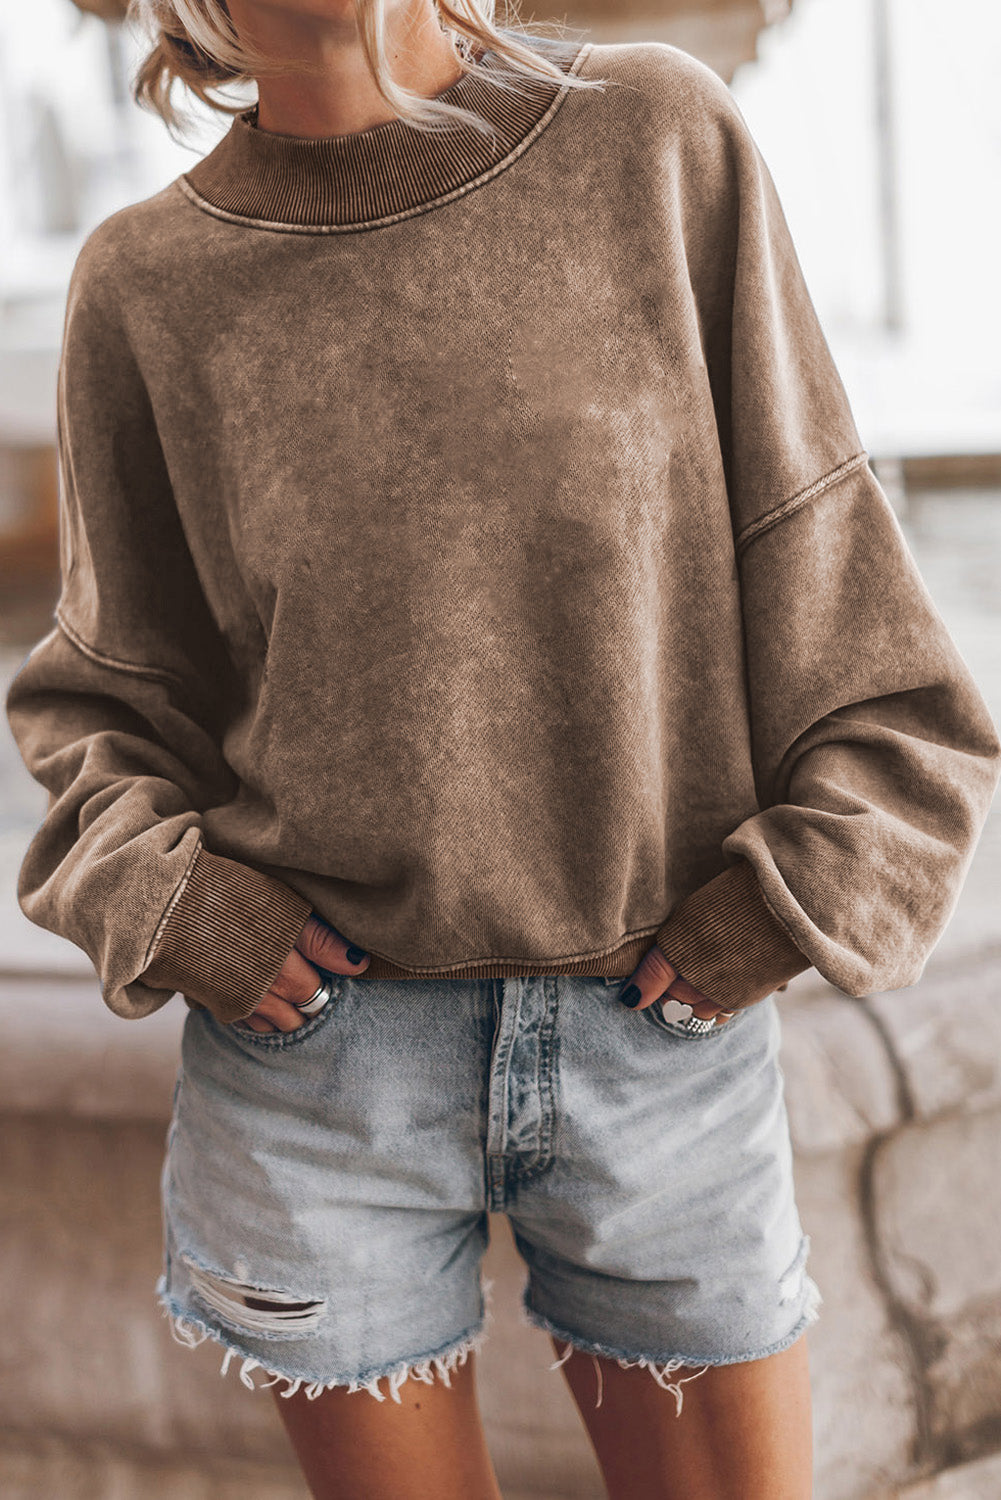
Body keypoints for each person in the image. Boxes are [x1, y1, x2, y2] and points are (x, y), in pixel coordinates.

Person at [6, 1, 1000, 1496]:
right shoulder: (147, 286)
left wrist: (791, 903)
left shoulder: (656, 141)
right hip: (316, 1079)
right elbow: (96, 707)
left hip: (656, 1041)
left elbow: (849, 609)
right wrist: (179, 907)